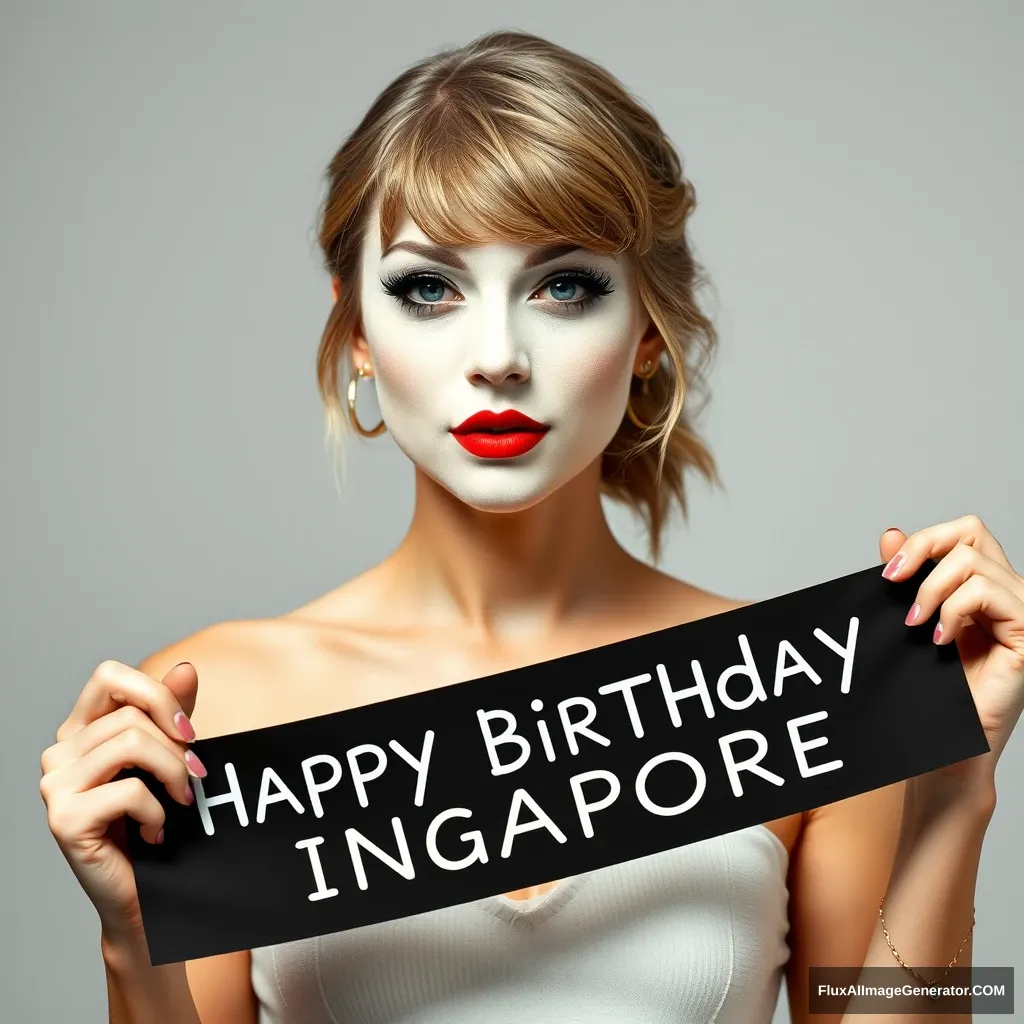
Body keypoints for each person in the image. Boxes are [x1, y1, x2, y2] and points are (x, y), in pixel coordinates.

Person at [39, 28, 1023, 1024]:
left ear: (647, 330)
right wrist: (131, 945)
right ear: (355, 335)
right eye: (429, 288)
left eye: (565, 285)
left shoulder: (800, 690)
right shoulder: (217, 707)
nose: (499, 355)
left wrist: (953, 796)